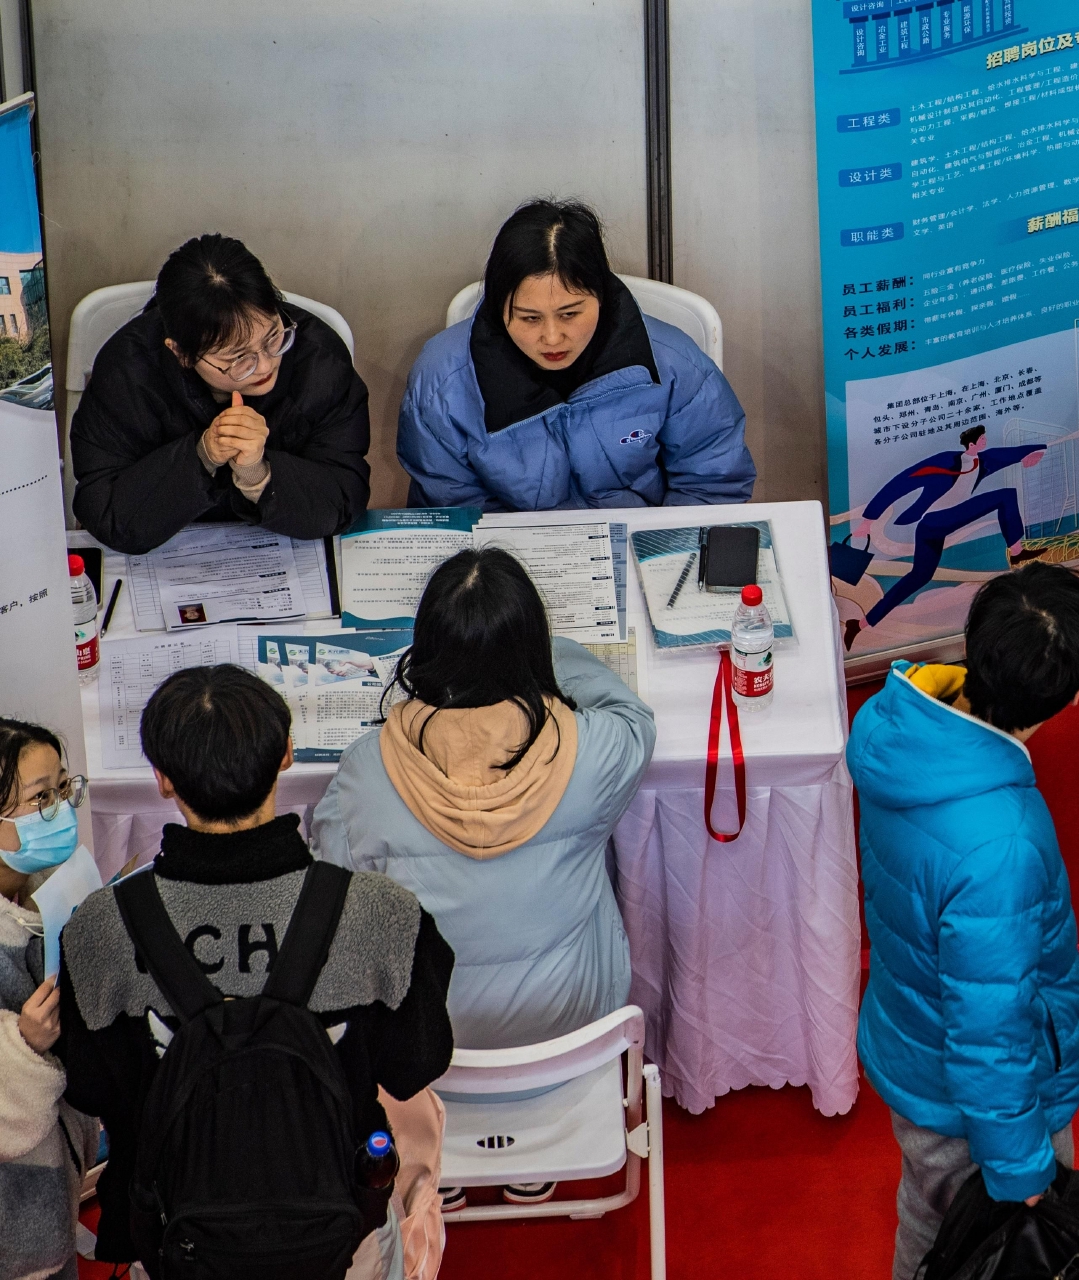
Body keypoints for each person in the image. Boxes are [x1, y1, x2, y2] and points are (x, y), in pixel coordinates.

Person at [56, 666, 454, 1278]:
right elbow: (414, 1067)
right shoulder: (380, 913)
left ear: (162, 779)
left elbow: (90, 1090)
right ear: (287, 756)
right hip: (341, 1228)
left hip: (172, 1230)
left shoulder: (101, 929)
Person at [310, 547, 654, 1210]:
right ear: (532, 651)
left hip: (430, 1062)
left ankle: (452, 1172)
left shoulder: (363, 774)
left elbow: (334, 891)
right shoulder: (591, 753)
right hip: (571, 1040)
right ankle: (532, 1166)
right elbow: (636, 719)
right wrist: (557, 657)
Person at [849, 562, 1079, 1280]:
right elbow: (989, 1031)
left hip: (909, 1042)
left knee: (927, 1217)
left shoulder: (900, 723)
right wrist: (1023, 1166)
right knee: (981, 1250)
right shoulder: (1003, 844)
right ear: (1074, 694)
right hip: (973, 1109)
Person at [399, 198, 754, 511]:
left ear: (601, 296)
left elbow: (712, 485)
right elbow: (451, 510)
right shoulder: (442, 381)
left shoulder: (674, 364)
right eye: (529, 318)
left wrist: (659, 553)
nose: (553, 338)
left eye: (570, 314)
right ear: (497, 305)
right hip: (508, 565)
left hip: (637, 550)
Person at [70, 233, 371, 554]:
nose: (265, 365)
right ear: (181, 353)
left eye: (273, 338)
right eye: (238, 358)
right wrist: (202, 456)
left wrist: (259, 473)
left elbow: (344, 500)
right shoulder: (127, 371)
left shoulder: (320, 361)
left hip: (282, 550)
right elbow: (105, 512)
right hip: (165, 557)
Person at [0, 721, 96, 1280]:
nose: (61, 808)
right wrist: (23, 1046)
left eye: (62, 788)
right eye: (40, 798)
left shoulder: (43, 888)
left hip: (52, 1178)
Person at [846, 425, 1046, 639]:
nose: (985, 442)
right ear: (971, 443)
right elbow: (903, 481)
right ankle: (1017, 552)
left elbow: (1008, 455)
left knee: (919, 577)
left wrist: (1033, 452)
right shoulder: (945, 461)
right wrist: (869, 519)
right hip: (934, 521)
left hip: (932, 528)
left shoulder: (983, 461)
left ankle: (859, 624)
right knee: (1004, 496)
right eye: (982, 439)